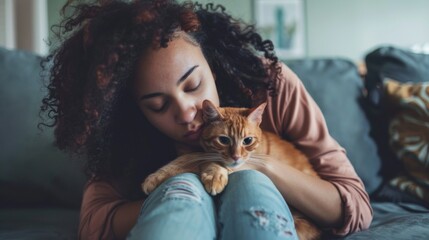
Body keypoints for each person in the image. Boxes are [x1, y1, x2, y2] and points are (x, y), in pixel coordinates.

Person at [40, 0, 372, 239]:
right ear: (134, 111)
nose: (187, 113)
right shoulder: (125, 133)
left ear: (211, 62)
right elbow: (95, 223)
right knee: (182, 188)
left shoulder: (271, 84)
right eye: (157, 105)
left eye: (194, 85)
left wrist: (258, 166)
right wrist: (186, 181)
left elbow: (354, 204)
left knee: (247, 181)